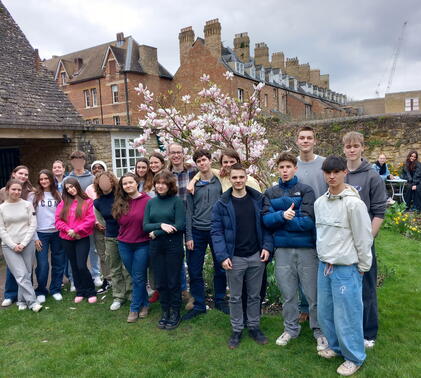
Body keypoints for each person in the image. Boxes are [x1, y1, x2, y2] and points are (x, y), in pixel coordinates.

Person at [262, 151, 327, 351]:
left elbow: (308, 222)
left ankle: (319, 331)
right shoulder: (270, 193)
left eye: (288, 167)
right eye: (281, 167)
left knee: (312, 294)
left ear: (295, 168)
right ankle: (291, 329)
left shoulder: (306, 190)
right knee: (288, 294)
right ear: (278, 169)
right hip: (282, 250)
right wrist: (283, 215)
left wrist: (280, 221)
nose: (285, 170)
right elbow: (265, 220)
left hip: (306, 248)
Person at [315, 156, 373, 376]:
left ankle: (354, 357)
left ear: (344, 173)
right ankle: (337, 347)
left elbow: (363, 237)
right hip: (325, 266)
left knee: (347, 314)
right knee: (326, 312)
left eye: (336, 172)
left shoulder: (353, 204)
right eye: (328, 172)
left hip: (346, 268)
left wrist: (363, 266)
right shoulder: (320, 203)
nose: (331, 176)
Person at [211, 164, 272, 349]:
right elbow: (216, 231)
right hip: (234, 258)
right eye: (234, 177)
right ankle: (237, 329)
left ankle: (254, 327)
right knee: (236, 297)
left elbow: (267, 225)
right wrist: (222, 256)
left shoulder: (258, 200)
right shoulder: (222, 203)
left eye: (241, 177)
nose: (238, 181)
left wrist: (267, 247)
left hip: (256, 256)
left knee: (254, 295)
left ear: (246, 178)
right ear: (230, 179)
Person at [343, 131, 386, 349]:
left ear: (362, 148)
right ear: (344, 149)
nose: (352, 149)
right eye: (348, 146)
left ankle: (368, 332)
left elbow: (379, 212)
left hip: (364, 243)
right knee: (347, 288)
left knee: (366, 288)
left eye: (356, 146)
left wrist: (367, 240)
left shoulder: (372, 176)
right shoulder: (340, 174)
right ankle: (350, 327)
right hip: (342, 244)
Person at [184, 149, 225, 320]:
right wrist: (189, 236)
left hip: (217, 231)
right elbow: (188, 212)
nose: (202, 163)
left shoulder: (220, 182)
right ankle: (199, 304)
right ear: (196, 164)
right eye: (199, 161)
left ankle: (221, 300)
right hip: (197, 231)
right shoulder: (193, 186)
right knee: (194, 270)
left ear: (210, 160)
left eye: (204, 160)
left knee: (220, 268)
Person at [143, 170, 186, 330]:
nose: (160, 186)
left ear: (170, 185)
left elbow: (180, 225)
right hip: (156, 247)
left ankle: (175, 312)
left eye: (164, 183)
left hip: (173, 246)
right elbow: (145, 226)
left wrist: (156, 232)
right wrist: (160, 226)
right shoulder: (151, 203)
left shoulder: (177, 202)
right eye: (158, 183)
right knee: (161, 281)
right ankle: (165, 311)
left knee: (173, 280)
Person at [295, 126, 327, 323]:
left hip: (323, 222)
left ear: (314, 141)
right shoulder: (292, 164)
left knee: (322, 265)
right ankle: (304, 306)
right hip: (299, 224)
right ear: (297, 141)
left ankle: (322, 305)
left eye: (309, 138)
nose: (305, 141)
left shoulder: (324, 163)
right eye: (302, 138)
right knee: (301, 266)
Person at [112, 173, 151, 322]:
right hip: (124, 244)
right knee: (135, 276)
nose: (128, 185)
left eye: (130, 182)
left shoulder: (148, 201)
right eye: (125, 184)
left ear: (137, 183)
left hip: (142, 244)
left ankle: (134, 308)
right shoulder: (120, 202)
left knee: (138, 277)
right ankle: (145, 303)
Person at [0, 179, 42, 312]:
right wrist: (13, 245)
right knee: (21, 274)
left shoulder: (27, 205)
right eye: (13, 189)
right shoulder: (2, 208)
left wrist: (24, 243)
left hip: (27, 244)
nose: (16, 192)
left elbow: (33, 224)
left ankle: (21, 300)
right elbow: (1, 229)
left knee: (26, 273)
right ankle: (33, 302)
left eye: (19, 189)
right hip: (9, 246)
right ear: (7, 190)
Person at [94, 171, 132, 311]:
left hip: (126, 236)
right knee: (114, 268)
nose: (104, 183)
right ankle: (118, 296)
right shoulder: (97, 202)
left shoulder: (121, 197)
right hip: (110, 237)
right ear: (98, 184)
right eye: (101, 181)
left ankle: (131, 294)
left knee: (127, 267)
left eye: (106, 180)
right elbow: (101, 221)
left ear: (112, 181)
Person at [55, 177, 97, 303]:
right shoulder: (63, 203)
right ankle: (80, 291)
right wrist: (69, 230)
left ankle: (90, 291)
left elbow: (90, 220)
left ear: (77, 186)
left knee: (81, 265)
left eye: (72, 186)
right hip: (67, 238)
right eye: (67, 188)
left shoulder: (87, 201)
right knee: (74, 266)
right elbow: (57, 221)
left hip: (81, 238)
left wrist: (76, 230)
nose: (70, 190)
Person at [167, 143, 197, 310]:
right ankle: (182, 290)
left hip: (191, 219)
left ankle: (194, 293)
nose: (176, 155)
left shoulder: (193, 171)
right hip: (173, 221)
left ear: (183, 154)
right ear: (169, 155)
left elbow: (209, 173)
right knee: (177, 257)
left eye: (179, 152)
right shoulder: (165, 174)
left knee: (192, 257)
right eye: (173, 153)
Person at [65, 151, 101, 287]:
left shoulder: (92, 178)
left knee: (93, 249)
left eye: (80, 160)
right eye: (75, 161)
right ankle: (74, 279)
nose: (78, 163)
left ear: (84, 161)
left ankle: (96, 275)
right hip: (71, 224)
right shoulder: (66, 180)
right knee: (73, 253)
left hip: (88, 221)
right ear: (72, 162)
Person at [30, 169, 66, 302]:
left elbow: (64, 214)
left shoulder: (58, 194)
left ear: (51, 179)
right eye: (41, 179)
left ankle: (56, 289)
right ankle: (41, 290)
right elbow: (30, 218)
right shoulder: (33, 196)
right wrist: (35, 237)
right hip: (41, 234)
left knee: (58, 262)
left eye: (46, 178)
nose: (44, 181)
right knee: (43, 264)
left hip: (57, 233)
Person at [1, 165, 34, 308]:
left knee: (26, 270)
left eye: (26, 174)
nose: (23, 176)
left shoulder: (31, 192)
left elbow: (32, 220)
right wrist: (11, 243)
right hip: (10, 238)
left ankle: (23, 300)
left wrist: (31, 239)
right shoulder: (3, 191)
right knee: (13, 269)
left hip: (26, 237)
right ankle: (10, 294)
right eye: (21, 173)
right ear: (13, 174)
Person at [85, 160, 111, 293]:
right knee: (102, 254)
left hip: (112, 226)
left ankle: (119, 279)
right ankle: (107, 279)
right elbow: (88, 208)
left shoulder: (112, 186)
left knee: (115, 253)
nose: (97, 169)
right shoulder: (89, 189)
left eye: (100, 167)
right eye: (94, 168)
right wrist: (96, 222)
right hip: (98, 226)